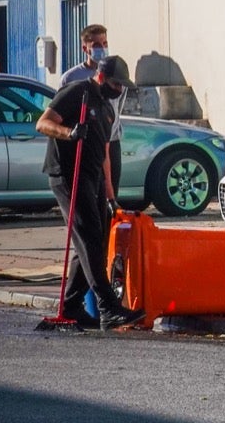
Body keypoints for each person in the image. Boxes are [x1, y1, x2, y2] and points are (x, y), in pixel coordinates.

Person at [35, 55, 145, 331]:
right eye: (116, 83)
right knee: (90, 241)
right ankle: (108, 307)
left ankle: (70, 308)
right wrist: (70, 132)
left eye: (122, 86)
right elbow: (43, 123)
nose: (119, 90)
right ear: (101, 77)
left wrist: (110, 196)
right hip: (68, 175)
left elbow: (105, 155)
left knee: (92, 242)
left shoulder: (107, 109)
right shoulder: (77, 92)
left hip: (93, 176)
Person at [60, 23, 122, 192]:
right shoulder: (71, 78)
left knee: (111, 194)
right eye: (96, 45)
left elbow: (117, 105)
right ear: (85, 48)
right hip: (87, 143)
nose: (102, 48)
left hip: (112, 141)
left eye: (105, 44)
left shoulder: (116, 73)